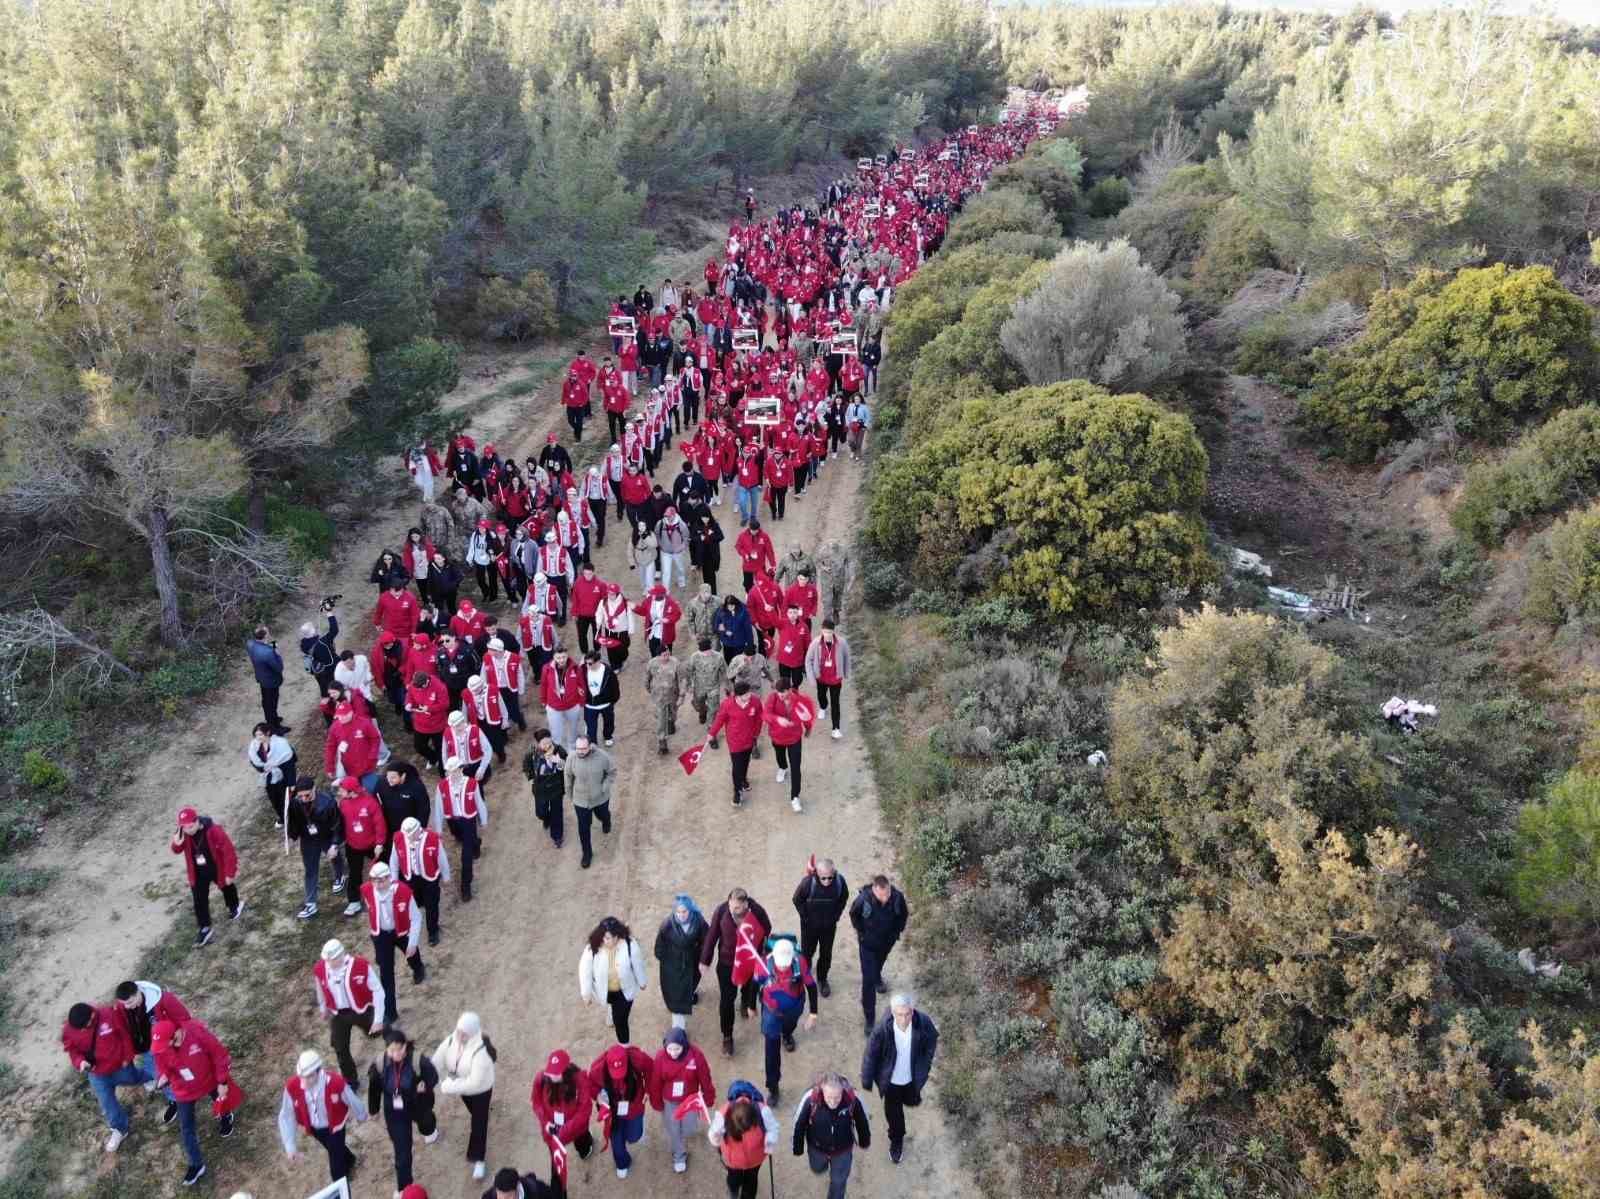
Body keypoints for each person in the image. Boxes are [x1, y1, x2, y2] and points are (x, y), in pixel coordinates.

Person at [150, 1016, 237, 1187]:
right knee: (186, 1128)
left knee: (220, 1100)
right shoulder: (161, 1048)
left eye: (166, 1044)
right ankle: (196, 1165)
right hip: (183, 1090)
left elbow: (219, 1055)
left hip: (208, 1079)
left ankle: (226, 1115)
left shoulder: (197, 1033)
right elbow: (162, 1066)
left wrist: (222, 1082)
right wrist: (163, 1077)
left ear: (177, 1035)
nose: (162, 1049)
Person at [62, 1000, 147, 1154]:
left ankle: (152, 1077)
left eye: (86, 1025)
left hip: (120, 1066)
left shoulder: (108, 1014)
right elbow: (73, 1051)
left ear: (92, 1015)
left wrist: (128, 1057)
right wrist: (80, 1062)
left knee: (134, 1078)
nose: (83, 1029)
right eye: (80, 1028)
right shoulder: (69, 1029)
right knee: (106, 1102)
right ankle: (119, 1128)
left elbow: (124, 1035)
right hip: (96, 1074)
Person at [860, 996, 938, 1164]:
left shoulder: (922, 1021)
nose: (904, 1019)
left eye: (907, 1014)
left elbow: (933, 1037)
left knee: (911, 1100)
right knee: (894, 1115)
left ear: (913, 1011)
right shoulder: (883, 1029)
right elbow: (870, 1054)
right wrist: (867, 1077)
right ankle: (897, 1140)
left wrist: (926, 1060)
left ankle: (911, 1099)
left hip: (911, 1078)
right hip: (891, 1082)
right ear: (893, 1012)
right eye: (899, 1014)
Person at [700, 888, 772, 1057]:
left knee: (748, 990)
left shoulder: (757, 911)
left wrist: (759, 949)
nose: (733, 910)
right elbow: (712, 935)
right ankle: (727, 1037)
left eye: (737, 908)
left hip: (749, 962)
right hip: (727, 964)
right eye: (731, 906)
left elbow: (767, 929)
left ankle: (745, 1005)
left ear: (746, 904)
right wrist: (705, 959)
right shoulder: (722, 911)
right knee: (727, 1000)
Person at [279, 1048, 369, 1185]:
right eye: (302, 1076)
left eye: (309, 1076)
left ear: (319, 1071)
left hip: (336, 1127)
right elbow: (286, 1116)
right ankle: (350, 1160)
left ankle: (340, 1185)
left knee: (336, 1168)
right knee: (334, 1149)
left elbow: (351, 1099)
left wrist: (361, 1115)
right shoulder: (292, 1087)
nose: (305, 1081)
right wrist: (290, 1146)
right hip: (316, 1129)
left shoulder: (335, 1082)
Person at [368, 1028, 440, 1196]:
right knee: (402, 1152)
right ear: (387, 1049)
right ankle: (404, 1189)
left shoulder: (417, 1060)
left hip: (418, 1103)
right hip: (395, 1110)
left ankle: (430, 1131)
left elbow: (433, 1075)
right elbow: (374, 1088)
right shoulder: (379, 1064)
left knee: (427, 1125)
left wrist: (426, 1085)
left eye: (400, 1049)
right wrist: (373, 1110)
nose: (397, 1053)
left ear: (406, 1047)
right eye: (392, 1050)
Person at [115, 978, 189, 1127]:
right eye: (124, 1004)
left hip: (166, 1045)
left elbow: (184, 1017)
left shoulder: (162, 999)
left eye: (130, 1003)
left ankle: (186, 1095)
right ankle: (174, 1099)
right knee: (158, 1074)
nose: (127, 1007)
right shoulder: (122, 1007)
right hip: (145, 1049)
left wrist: (180, 1032)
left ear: (138, 993)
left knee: (175, 1070)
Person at [432, 1011, 497, 1182]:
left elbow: (474, 1083)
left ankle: (479, 1159)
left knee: (479, 1122)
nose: (460, 1036)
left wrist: (449, 1086)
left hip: (481, 1090)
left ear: (473, 1033)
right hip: (463, 1089)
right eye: (459, 1031)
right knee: (474, 1112)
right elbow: (437, 1060)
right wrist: (427, 1078)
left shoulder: (481, 1052)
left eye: (465, 1033)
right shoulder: (452, 1040)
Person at [361, 862, 426, 1026]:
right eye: (375, 880)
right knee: (386, 974)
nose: (379, 883)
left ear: (390, 877)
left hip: (401, 931)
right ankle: (390, 1012)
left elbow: (416, 918)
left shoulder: (403, 891)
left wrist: (412, 942)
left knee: (412, 954)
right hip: (382, 935)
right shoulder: (366, 890)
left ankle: (418, 968)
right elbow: (371, 910)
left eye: (383, 879)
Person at [756, 937, 819, 1103]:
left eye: (786, 962)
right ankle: (773, 1087)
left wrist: (813, 1014)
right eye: (780, 963)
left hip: (794, 1007)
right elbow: (755, 984)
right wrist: (750, 1005)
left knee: (789, 1025)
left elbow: (811, 987)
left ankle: (787, 1033)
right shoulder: (764, 964)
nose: (783, 966)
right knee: (771, 1050)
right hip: (771, 1012)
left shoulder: (800, 963)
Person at [313, 938, 385, 1083]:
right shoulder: (320, 968)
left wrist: (378, 1020)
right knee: (340, 1047)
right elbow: (319, 988)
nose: (329, 963)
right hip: (338, 1014)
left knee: (378, 1031)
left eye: (332, 959)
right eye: (327, 959)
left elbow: (378, 991)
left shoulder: (361, 966)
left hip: (361, 1010)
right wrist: (323, 1007)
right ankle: (350, 1079)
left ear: (341, 955)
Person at [170, 807, 242, 948]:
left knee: (226, 886)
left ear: (197, 821)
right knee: (199, 900)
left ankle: (235, 906)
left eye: (190, 826)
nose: (188, 830)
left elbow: (228, 851)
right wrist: (175, 843)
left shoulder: (213, 830)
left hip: (216, 867)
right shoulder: (183, 834)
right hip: (197, 872)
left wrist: (230, 873)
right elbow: (176, 850)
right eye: (184, 827)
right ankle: (205, 927)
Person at [792, 1071, 871, 1199]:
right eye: (829, 1097)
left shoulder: (852, 1099)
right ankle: (821, 1167)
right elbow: (799, 1124)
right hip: (817, 1148)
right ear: (822, 1091)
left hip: (843, 1150)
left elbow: (863, 1121)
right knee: (817, 1168)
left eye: (837, 1097)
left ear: (842, 1092)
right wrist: (797, 1147)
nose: (833, 1102)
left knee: (839, 1181)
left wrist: (864, 1140)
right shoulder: (810, 1099)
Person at [849, 875, 909, 1033]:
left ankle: (877, 978)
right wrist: (862, 934)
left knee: (878, 966)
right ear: (874, 890)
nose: (885, 898)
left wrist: (897, 932)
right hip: (868, 946)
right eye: (882, 895)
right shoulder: (864, 900)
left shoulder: (897, 898)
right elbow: (853, 914)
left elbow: (903, 915)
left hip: (886, 943)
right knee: (867, 980)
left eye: (887, 893)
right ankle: (869, 1018)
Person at [651, 1028, 715, 1173]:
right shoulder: (661, 1057)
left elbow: (705, 1078)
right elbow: (655, 1082)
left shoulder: (696, 1055)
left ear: (684, 1045)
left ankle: (681, 1137)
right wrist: (657, 1102)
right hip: (670, 1101)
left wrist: (708, 1098)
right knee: (674, 1130)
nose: (673, 1053)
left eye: (677, 1049)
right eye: (670, 1049)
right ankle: (679, 1155)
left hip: (689, 1099)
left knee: (689, 1129)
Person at [588, 1043, 655, 1179]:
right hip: (613, 1111)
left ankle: (634, 1132)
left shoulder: (638, 1058)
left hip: (634, 1105)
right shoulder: (598, 1067)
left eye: (622, 1071)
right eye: (614, 1073)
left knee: (634, 1136)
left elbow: (651, 1069)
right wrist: (597, 1096)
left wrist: (648, 1089)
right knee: (616, 1141)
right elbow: (589, 1084)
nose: (618, 1077)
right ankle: (622, 1163)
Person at [580, 916, 649, 1045]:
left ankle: (624, 1046)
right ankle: (611, 1013)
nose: (607, 941)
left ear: (618, 936)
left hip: (625, 990)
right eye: (605, 937)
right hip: (605, 991)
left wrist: (642, 981)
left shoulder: (629, 943)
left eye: (611, 937)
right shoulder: (592, 949)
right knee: (612, 1007)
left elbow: (638, 963)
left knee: (621, 1021)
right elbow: (585, 972)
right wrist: (586, 994)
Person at [531, 1049, 597, 1179]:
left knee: (582, 1142)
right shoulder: (542, 1078)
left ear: (566, 1071)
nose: (552, 1076)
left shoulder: (580, 1080)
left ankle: (585, 1149)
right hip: (553, 1127)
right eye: (551, 1072)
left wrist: (564, 1130)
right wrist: (546, 1123)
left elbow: (585, 1110)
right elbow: (536, 1102)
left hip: (576, 1128)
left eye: (556, 1073)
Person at [708, 1080, 779, 1199]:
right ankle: (734, 1190)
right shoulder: (723, 1114)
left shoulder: (763, 1111)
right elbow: (712, 1134)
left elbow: (773, 1128)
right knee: (734, 1179)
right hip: (734, 1162)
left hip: (754, 1161)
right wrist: (715, 1136)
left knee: (751, 1182)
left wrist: (770, 1141)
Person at [287, 777, 345, 920]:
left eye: (307, 795)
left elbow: (338, 825)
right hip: (309, 839)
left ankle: (340, 876)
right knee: (310, 870)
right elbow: (294, 822)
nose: (304, 799)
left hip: (327, 836)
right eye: (300, 796)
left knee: (335, 857)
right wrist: (292, 836)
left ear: (314, 789)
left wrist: (335, 844)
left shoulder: (328, 802)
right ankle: (311, 903)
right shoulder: (295, 803)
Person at [793, 858, 849, 999]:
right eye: (823, 878)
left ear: (834, 873)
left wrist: (836, 915)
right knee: (807, 953)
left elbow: (843, 898)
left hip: (828, 927)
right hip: (809, 927)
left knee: (826, 954)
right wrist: (805, 917)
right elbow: (797, 899)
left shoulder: (839, 882)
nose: (827, 881)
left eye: (830, 877)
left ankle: (822, 979)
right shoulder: (808, 883)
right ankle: (804, 975)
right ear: (816, 874)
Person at [391, 816, 451, 947]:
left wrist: (446, 876)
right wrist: (394, 880)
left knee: (432, 904)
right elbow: (394, 860)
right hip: (410, 877)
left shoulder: (432, 839)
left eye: (411, 834)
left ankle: (433, 931)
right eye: (407, 835)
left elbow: (441, 858)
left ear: (418, 830)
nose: (409, 837)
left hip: (430, 877)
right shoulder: (398, 839)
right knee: (414, 902)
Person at [433, 757, 487, 901]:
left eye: (455, 770)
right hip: (453, 821)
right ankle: (476, 842)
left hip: (468, 820)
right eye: (450, 771)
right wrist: (438, 828)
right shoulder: (441, 786)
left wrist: (483, 819)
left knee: (466, 856)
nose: (453, 774)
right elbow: (438, 807)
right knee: (463, 838)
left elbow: (479, 802)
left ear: (461, 769)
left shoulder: (471, 783)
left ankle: (465, 886)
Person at [654, 894, 707, 1030]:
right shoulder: (667, 925)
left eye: (684, 911)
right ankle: (678, 1029)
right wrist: (666, 962)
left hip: (692, 961)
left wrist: (703, 958)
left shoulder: (698, 922)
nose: (681, 915)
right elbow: (659, 947)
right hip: (673, 964)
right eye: (678, 912)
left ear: (690, 910)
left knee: (692, 981)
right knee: (676, 996)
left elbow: (706, 940)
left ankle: (689, 994)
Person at [336, 778, 387, 916]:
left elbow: (379, 824)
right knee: (354, 873)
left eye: (342, 789)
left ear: (351, 792)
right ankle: (354, 901)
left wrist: (379, 843)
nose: (339, 792)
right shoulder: (343, 803)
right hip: (353, 845)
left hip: (372, 845)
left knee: (382, 869)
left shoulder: (370, 803)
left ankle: (387, 894)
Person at [708, 682, 764, 808]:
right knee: (737, 766)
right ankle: (737, 791)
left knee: (745, 762)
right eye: (746, 694)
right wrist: (712, 733)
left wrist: (756, 733)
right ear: (738, 696)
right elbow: (719, 719)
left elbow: (759, 718)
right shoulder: (727, 704)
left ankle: (743, 780)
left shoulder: (755, 701)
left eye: (749, 692)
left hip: (749, 739)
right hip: (735, 742)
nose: (749, 695)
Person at [563, 735, 615, 869]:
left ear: (590, 746)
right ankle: (587, 853)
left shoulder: (602, 757)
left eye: (583, 748)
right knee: (583, 828)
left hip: (600, 798)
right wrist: (570, 794)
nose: (580, 751)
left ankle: (606, 820)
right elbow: (568, 776)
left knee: (602, 815)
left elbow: (611, 772)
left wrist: (604, 787)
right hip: (581, 801)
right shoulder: (571, 758)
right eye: (578, 748)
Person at [765, 677, 813, 812]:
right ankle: (782, 767)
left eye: (782, 693)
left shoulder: (798, 699)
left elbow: (806, 715)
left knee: (796, 768)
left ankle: (795, 797)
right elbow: (766, 714)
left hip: (794, 738)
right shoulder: (772, 698)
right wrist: (777, 719)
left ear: (788, 690)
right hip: (777, 737)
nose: (779, 696)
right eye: (778, 693)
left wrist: (808, 728)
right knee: (780, 757)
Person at [804, 621, 851, 739]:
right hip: (821, 678)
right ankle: (823, 707)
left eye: (829, 632)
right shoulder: (815, 643)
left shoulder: (841, 642)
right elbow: (808, 660)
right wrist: (811, 678)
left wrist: (846, 672)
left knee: (835, 703)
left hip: (835, 678)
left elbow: (847, 657)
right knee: (821, 696)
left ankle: (836, 728)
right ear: (821, 630)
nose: (827, 635)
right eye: (825, 632)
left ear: (833, 631)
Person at [325, 701, 384, 794]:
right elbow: (330, 748)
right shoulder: (334, 727)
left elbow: (375, 739)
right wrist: (330, 767)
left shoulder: (364, 723)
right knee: (356, 792)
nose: (341, 718)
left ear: (351, 713)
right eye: (339, 715)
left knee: (373, 790)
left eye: (344, 715)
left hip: (367, 766)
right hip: (349, 768)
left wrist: (372, 756)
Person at [523, 731, 568, 848]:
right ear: (538, 744)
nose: (547, 745)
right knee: (540, 812)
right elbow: (526, 767)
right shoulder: (532, 753)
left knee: (557, 813)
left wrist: (558, 762)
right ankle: (546, 818)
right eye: (544, 743)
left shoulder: (559, 750)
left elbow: (568, 766)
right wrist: (532, 776)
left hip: (556, 787)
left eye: (549, 742)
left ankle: (557, 837)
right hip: (540, 789)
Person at [247, 723, 296, 828]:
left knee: (287, 799)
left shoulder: (281, 744)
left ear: (268, 733)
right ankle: (283, 818)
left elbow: (290, 764)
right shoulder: (255, 746)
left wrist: (292, 782)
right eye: (256, 735)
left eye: (260, 735)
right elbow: (254, 761)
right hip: (269, 778)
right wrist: (263, 768)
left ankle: (294, 819)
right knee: (274, 799)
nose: (258, 738)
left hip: (283, 777)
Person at [245, 624, 289, 734]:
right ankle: (274, 727)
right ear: (265, 636)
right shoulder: (268, 653)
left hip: (261, 677)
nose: (269, 633)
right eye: (267, 632)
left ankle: (272, 718)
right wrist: (277, 653)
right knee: (272, 703)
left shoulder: (250, 644)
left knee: (266, 701)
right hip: (271, 681)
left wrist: (268, 646)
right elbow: (279, 667)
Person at [540, 646, 585, 752]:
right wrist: (543, 701)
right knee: (556, 731)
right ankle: (559, 750)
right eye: (558, 658)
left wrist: (581, 702)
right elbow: (543, 685)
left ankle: (572, 748)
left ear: (567, 656)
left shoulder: (575, 668)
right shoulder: (547, 668)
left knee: (573, 728)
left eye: (563, 657)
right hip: (553, 707)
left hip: (572, 705)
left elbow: (581, 685)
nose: (561, 660)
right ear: (554, 657)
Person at [377, 761, 432, 842]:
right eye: (387, 776)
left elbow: (424, 810)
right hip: (391, 828)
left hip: (410, 829)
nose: (389, 780)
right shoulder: (382, 783)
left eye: (393, 777)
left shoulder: (416, 787)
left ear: (403, 776)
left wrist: (420, 829)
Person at [644, 645, 683, 755]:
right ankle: (662, 743)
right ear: (659, 656)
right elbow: (647, 678)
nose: (667, 656)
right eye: (664, 655)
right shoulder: (652, 664)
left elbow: (682, 679)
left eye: (668, 653)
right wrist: (649, 689)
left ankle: (671, 722)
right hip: (659, 698)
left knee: (672, 714)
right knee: (661, 720)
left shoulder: (675, 663)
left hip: (672, 696)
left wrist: (681, 696)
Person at [580, 649, 621, 747]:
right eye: (586, 663)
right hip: (590, 705)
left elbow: (615, 687)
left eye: (590, 664)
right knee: (591, 726)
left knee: (609, 722)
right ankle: (592, 742)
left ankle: (608, 736)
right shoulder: (583, 670)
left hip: (606, 704)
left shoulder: (608, 672)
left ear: (597, 661)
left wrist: (612, 701)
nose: (587, 666)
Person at [300, 607, 341, 696]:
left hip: (319, 672)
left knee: (326, 691)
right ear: (312, 631)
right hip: (333, 669)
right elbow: (334, 630)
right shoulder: (323, 641)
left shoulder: (304, 645)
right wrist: (329, 612)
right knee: (338, 691)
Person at [735, 521, 775, 590]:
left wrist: (773, 564)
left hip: (760, 566)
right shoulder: (742, 536)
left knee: (762, 583)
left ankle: (761, 597)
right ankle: (749, 596)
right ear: (749, 528)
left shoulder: (764, 536)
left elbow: (769, 551)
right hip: (748, 566)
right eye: (753, 530)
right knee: (747, 584)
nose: (755, 532)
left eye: (756, 530)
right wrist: (745, 554)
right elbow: (738, 547)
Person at [485, 1165, 555, 1199]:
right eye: (500, 1197)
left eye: (508, 1197)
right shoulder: (488, 1197)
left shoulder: (539, 1190)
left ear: (518, 1186)